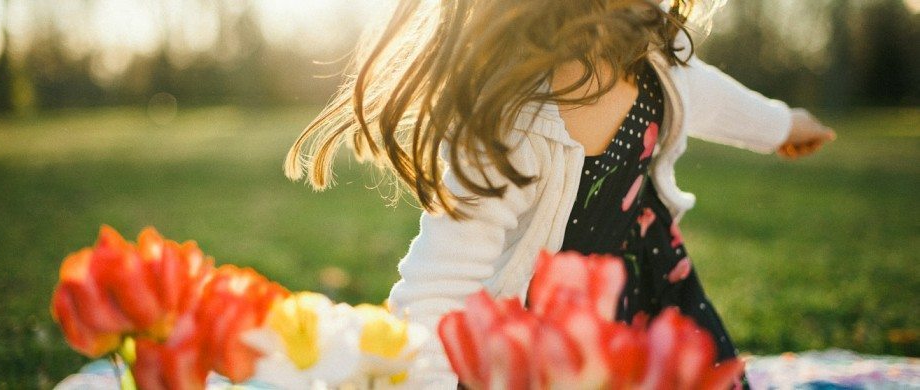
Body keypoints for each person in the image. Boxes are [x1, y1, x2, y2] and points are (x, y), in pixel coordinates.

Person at [285, 0, 836, 388]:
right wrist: (418, 378)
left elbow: (715, 96)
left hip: (650, 294)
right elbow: (440, 285)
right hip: (545, 343)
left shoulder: (657, 66)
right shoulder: (508, 122)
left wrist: (784, 124)